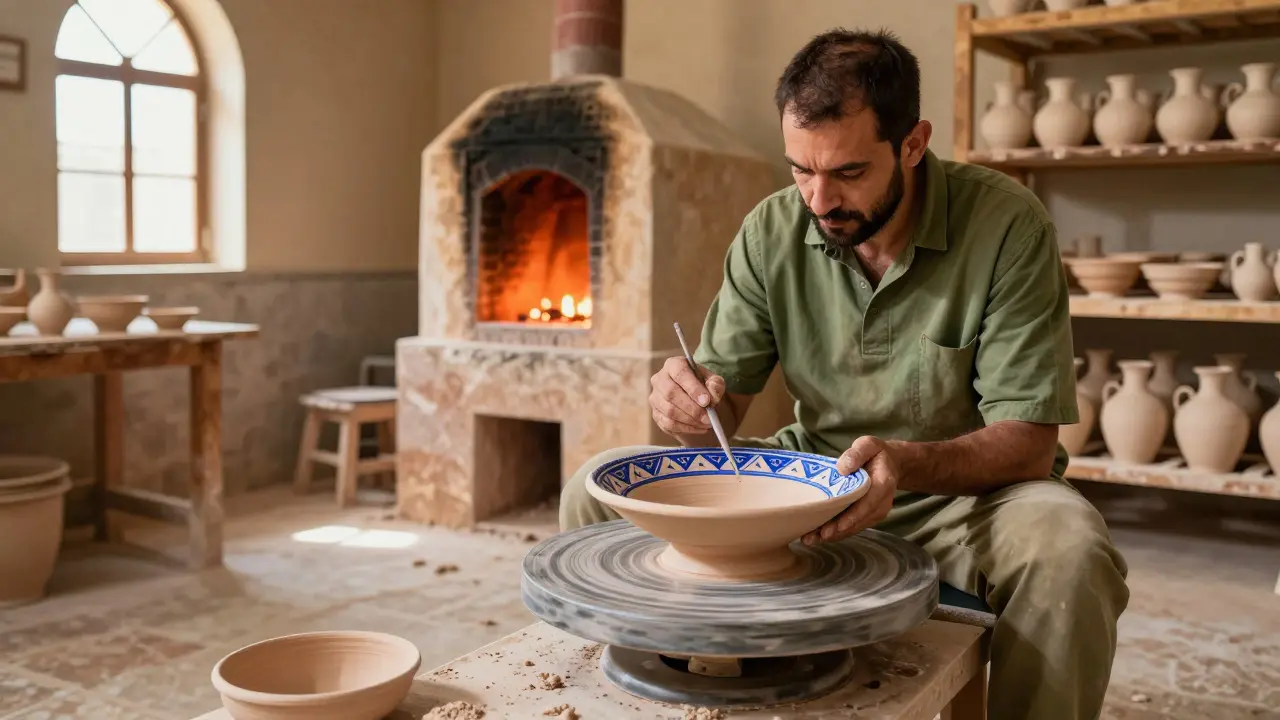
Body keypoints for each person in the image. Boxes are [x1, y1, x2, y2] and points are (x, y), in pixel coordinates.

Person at [558, 27, 1129, 720]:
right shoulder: (771, 230)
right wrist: (689, 408)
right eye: (800, 169)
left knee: (1068, 551)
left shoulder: (1007, 224)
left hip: (968, 499)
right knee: (594, 492)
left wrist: (902, 462)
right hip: (814, 482)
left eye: (848, 173)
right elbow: (722, 412)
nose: (819, 199)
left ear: (912, 145)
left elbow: (1029, 444)